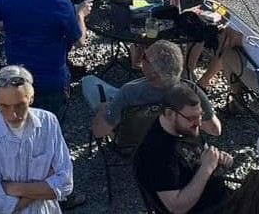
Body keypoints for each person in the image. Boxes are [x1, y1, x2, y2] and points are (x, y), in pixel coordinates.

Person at [0, 66, 74, 214]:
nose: (13, 114)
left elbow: (66, 184)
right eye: (5, 106)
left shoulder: (49, 122)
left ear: (31, 98)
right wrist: (45, 183)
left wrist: (14, 188)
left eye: (19, 105)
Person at [83, 38, 222, 140]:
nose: (142, 54)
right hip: (172, 141)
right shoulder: (191, 91)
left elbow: (99, 132)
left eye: (144, 56)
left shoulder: (129, 92)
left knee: (89, 81)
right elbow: (215, 130)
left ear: (154, 74)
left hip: (130, 142)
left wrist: (102, 109)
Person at [135, 82, 235, 214]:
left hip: (220, 198)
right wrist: (207, 168)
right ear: (170, 113)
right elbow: (176, 208)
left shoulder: (185, 128)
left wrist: (217, 159)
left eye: (200, 115)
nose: (199, 123)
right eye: (192, 118)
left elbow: (201, 157)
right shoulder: (157, 153)